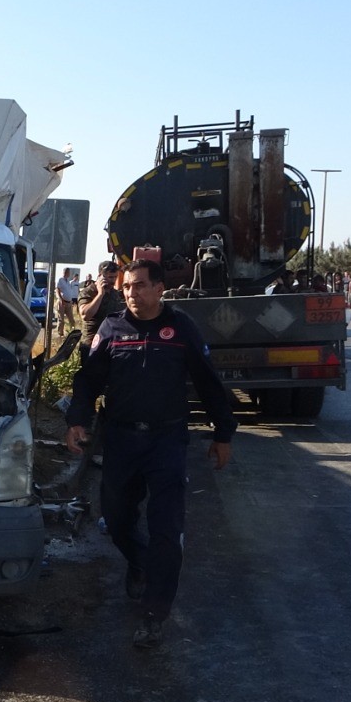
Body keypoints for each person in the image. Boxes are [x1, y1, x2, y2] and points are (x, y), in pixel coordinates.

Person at [64, 259, 237, 649]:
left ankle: (154, 612)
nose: (131, 293)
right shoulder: (111, 328)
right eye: (126, 287)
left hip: (166, 441)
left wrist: (223, 433)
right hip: (122, 440)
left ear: (159, 288)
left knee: (165, 528)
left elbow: (210, 385)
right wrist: (77, 418)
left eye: (139, 285)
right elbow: (88, 379)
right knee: (116, 518)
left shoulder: (181, 329)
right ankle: (139, 562)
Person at [76, 261, 125, 354]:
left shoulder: (115, 293)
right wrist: (100, 294)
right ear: (100, 276)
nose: (113, 281)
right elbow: (85, 315)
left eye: (115, 277)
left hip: (111, 343)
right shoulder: (88, 292)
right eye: (110, 277)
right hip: (92, 344)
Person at [55, 268, 81, 334]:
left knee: (71, 319)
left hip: (69, 303)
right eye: (68, 272)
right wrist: (61, 299)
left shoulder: (68, 282)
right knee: (61, 320)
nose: (69, 274)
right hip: (62, 302)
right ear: (65, 272)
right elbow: (58, 290)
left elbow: (69, 291)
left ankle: (72, 332)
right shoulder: (60, 280)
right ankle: (60, 334)